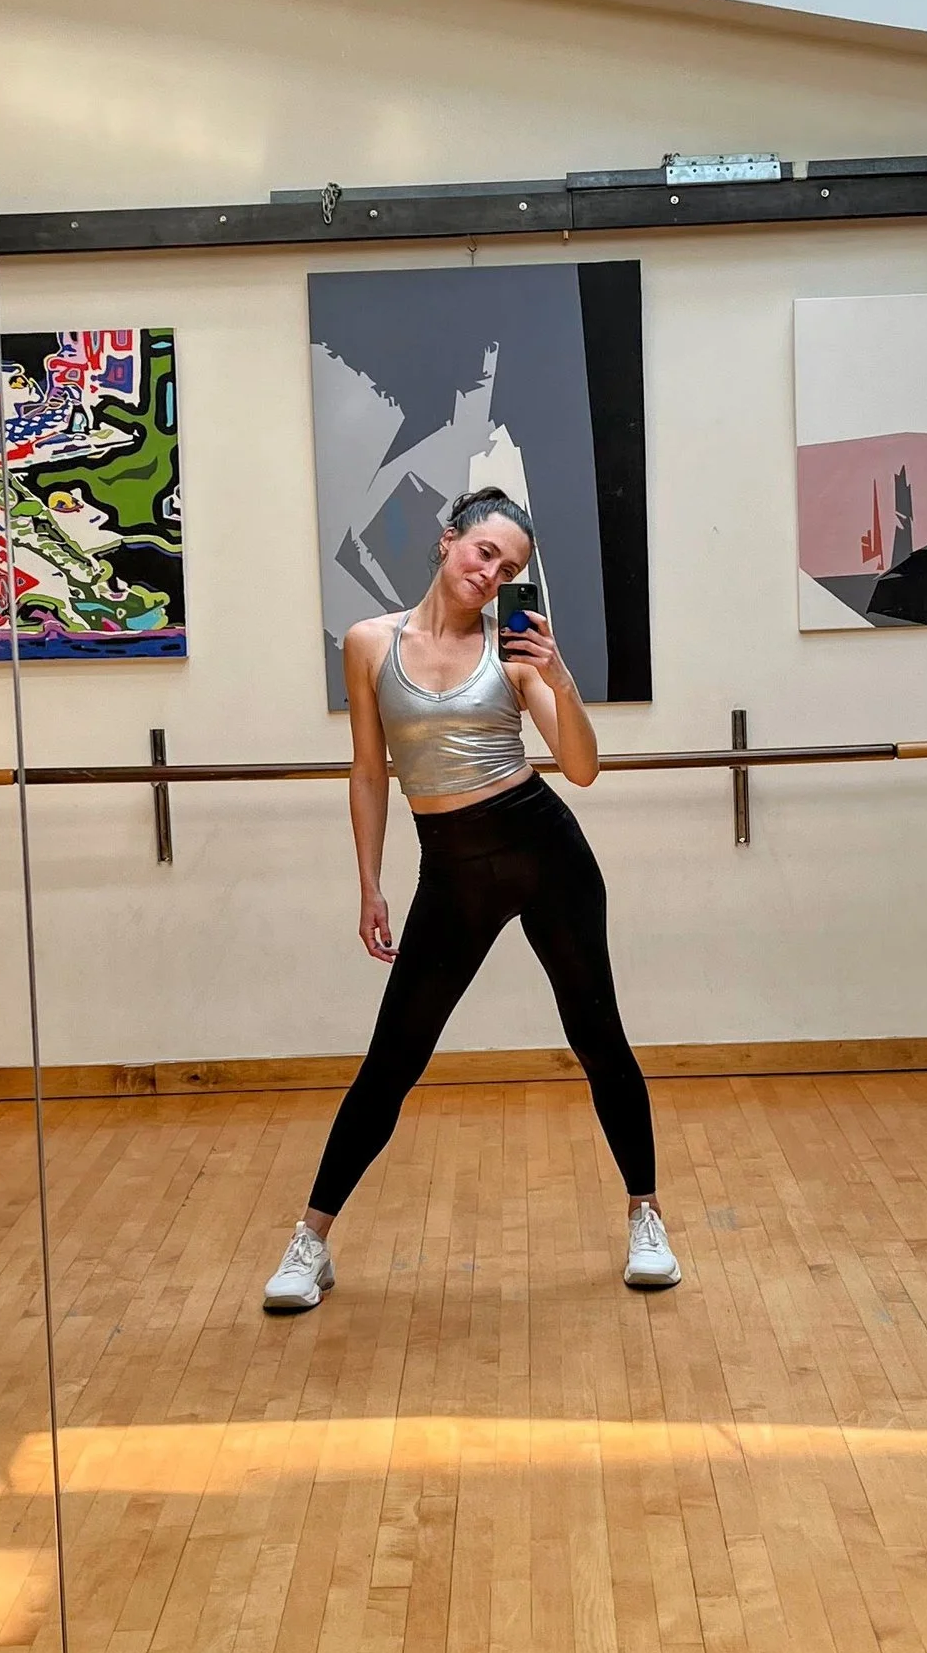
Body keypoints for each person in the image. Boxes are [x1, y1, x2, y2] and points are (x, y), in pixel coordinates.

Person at [263, 486, 679, 1314]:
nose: (493, 573)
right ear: (449, 540)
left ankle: (647, 1217)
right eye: (485, 552)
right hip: (449, 868)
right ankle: (311, 1241)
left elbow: (584, 768)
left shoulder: (514, 654)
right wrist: (369, 881)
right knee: (395, 1058)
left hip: (543, 852)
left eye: (511, 567)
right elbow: (370, 770)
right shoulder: (368, 642)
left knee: (597, 1036)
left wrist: (557, 677)